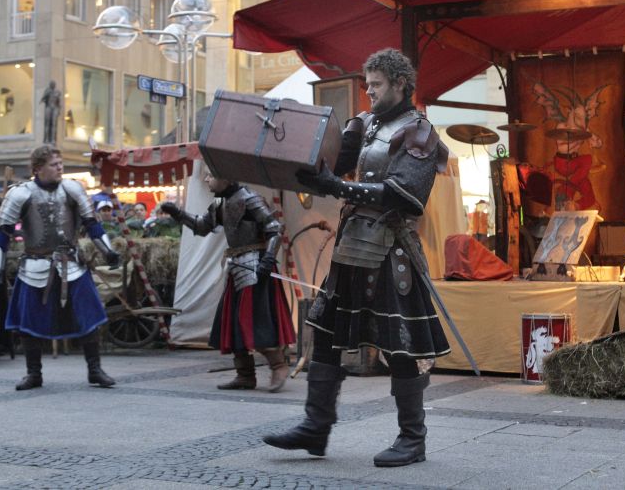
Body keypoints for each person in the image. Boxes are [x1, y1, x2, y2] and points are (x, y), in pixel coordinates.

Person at [262, 48, 451, 467]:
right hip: (351, 246)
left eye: (377, 85)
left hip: (391, 250)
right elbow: (330, 161)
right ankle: (315, 427)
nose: (370, 92)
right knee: (325, 331)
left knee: (400, 343)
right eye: (368, 84)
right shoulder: (364, 124)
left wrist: (337, 187)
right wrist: (291, 150)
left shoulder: (419, 131)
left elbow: (406, 194)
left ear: (400, 84)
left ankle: (412, 438)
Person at [0, 144, 120, 391]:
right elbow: (2, 233)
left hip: (72, 264)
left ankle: (95, 370)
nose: (60, 168)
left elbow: (92, 224)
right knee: (29, 324)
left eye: (61, 164)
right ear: (38, 168)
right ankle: (34, 374)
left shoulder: (72, 188)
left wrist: (108, 251)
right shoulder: (20, 194)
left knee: (89, 317)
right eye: (54, 164)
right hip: (34, 267)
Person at [161, 175, 295, 392]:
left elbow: (274, 228)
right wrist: (178, 213)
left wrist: (269, 257)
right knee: (232, 322)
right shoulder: (220, 204)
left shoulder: (250, 199)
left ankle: (278, 366)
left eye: (211, 175)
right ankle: (245, 375)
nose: (207, 179)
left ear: (227, 178)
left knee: (256, 321)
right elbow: (202, 226)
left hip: (256, 268)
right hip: (236, 268)